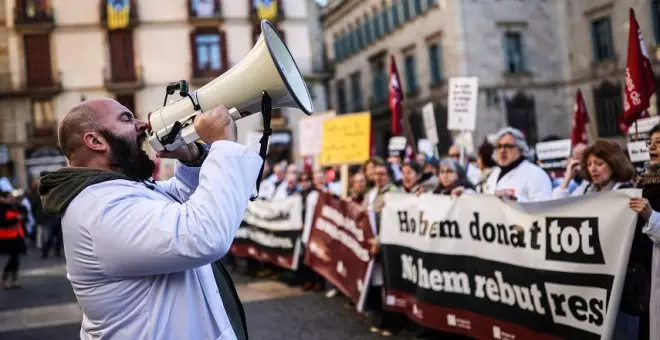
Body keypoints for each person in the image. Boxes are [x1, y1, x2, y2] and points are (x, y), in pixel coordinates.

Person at [38, 99, 261, 340]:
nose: (142, 124)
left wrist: (192, 157)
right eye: (126, 119)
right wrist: (222, 144)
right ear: (95, 141)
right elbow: (202, 235)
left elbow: (184, 202)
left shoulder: (117, 191)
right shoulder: (98, 208)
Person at [553, 140, 649, 339]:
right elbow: (556, 208)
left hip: (624, 281)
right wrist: (567, 179)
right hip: (594, 281)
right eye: (589, 164)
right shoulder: (588, 190)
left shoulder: (627, 192)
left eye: (599, 163)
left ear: (613, 163)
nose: (593, 169)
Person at [364, 163, 405, 337]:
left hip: (388, 245)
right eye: (376, 174)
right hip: (372, 244)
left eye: (382, 174)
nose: (378, 177)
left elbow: (392, 221)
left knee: (390, 285)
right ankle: (379, 318)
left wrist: (378, 242)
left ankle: (393, 323)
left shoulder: (395, 193)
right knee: (376, 282)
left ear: (389, 175)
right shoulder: (371, 194)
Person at [484, 127, 552, 202]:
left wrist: (515, 199)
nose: (502, 151)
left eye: (508, 146)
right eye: (499, 146)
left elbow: (544, 208)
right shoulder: (493, 175)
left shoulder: (536, 174)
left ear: (521, 149)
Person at [0, 190, 25, 290]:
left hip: (17, 235)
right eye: (8, 197)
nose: (10, 198)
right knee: (13, 258)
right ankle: (5, 278)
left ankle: (14, 280)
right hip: (6, 236)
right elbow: (2, 221)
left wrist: (17, 202)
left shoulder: (13, 206)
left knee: (16, 258)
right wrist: (16, 219)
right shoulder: (1, 208)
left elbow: (23, 212)